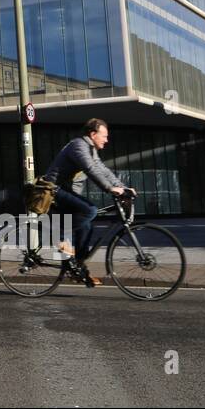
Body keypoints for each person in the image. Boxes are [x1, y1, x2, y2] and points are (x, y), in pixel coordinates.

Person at [41, 118, 133, 287]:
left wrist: (123, 187)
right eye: (104, 136)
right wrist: (109, 188)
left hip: (67, 192)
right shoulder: (78, 146)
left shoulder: (90, 149)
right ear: (93, 134)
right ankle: (57, 235)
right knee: (90, 211)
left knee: (87, 226)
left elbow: (102, 170)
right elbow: (90, 169)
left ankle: (77, 269)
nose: (107, 140)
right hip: (54, 190)